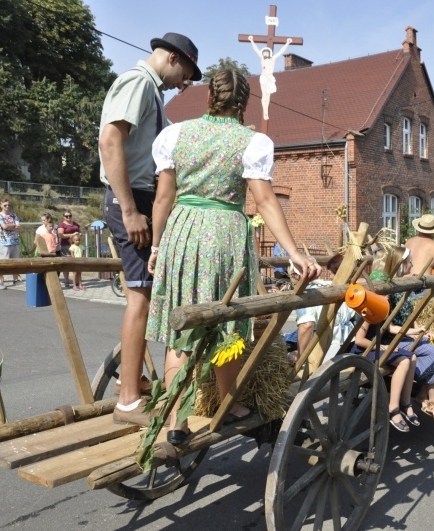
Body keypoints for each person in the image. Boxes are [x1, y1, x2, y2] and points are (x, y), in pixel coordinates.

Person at [145, 69, 321, 445]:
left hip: (182, 233)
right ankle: (229, 405)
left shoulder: (176, 135)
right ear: (244, 104)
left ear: (210, 96)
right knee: (228, 324)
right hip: (224, 237)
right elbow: (265, 200)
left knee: (182, 332)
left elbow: (162, 199)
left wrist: (157, 247)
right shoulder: (251, 142)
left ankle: (176, 422)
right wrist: (293, 253)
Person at [99, 32, 201, 426]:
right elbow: (110, 142)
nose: (184, 83)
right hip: (131, 198)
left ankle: (130, 380)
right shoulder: (139, 82)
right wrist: (129, 210)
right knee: (140, 299)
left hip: (138, 195)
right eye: (186, 73)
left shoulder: (153, 93)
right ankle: (128, 401)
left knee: (140, 293)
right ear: (173, 58)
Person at [354, 246, 434, 426]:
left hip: (399, 335)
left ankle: (424, 398)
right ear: (400, 264)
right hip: (390, 339)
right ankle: (427, 400)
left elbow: (404, 318)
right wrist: (409, 333)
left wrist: (419, 330)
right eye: (409, 262)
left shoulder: (401, 284)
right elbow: (386, 327)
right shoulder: (385, 289)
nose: (413, 265)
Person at [248, 36, 292, 120]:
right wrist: (251, 41)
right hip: (263, 77)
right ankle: (264, 111)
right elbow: (256, 49)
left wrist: (287, 43)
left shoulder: (273, 59)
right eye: (264, 52)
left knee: (268, 96)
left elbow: (281, 51)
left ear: (269, 53)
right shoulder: (262, 59)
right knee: (264, 95)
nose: (265, 54)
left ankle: (266, 111)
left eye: (266, 52)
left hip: (270, 78)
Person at [0, 198, 22, 289]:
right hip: (4, 242)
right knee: (2, 263)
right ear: (1, 205)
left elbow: (18, 226)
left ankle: (16, 279)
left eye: (9, 205)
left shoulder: (14, 215)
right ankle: (0, 281)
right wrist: (13, 226)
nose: (7, 207)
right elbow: (4, 226)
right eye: (5, 205)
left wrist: (10, 226)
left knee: (15, 262)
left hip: (14, 241)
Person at [57, 210, 81, 288]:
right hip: (65, 246)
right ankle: (66, 280)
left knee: (76, 263)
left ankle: (77, 281)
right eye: (66, 216)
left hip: (76, 246)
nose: (68, 217)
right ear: (63, 217)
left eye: (70, 216)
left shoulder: (76, 224)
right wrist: (72, 235)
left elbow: (80, 233)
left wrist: (79, 235)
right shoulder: (61, 225)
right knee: (66, 263)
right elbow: (61, 235)